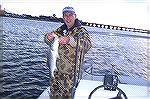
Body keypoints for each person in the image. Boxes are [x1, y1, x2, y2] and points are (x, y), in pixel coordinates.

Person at [44, 6, 92, 99]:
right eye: (65, 15)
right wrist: (47, 37)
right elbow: (48, 40)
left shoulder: (81, 31)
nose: (68, 17)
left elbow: (87, 45)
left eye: (70, 15)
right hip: (57, 72)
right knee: (54, 95)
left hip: (71, 76)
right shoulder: (60, 30)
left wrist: (69, 40)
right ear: (63, 17)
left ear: (75, 16)